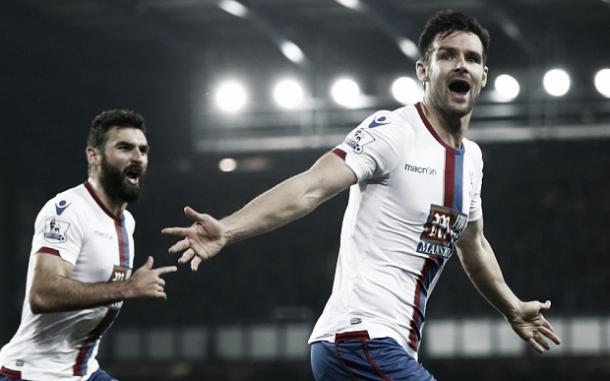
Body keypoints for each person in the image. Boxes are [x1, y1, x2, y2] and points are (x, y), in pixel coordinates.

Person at [162, 10, 561, 380]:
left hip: (387, 348)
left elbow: (473, 245)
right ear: (424, 70)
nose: (461, 64)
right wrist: (228, 229)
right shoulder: (393, 131)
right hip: (359, 338)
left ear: (484, 75)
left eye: (472, 58)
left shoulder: (471, 159)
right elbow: (310, 187)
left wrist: (511, 307)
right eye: (447, 55)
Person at [0, 110, 177, 381]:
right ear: (93, 156)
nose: (137, 157)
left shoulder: (126, 222)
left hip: (84, 371)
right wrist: (128, 287)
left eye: (143, 150)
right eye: (124, 147)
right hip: (35, 374)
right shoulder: (67, 210)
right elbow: (42, 294)